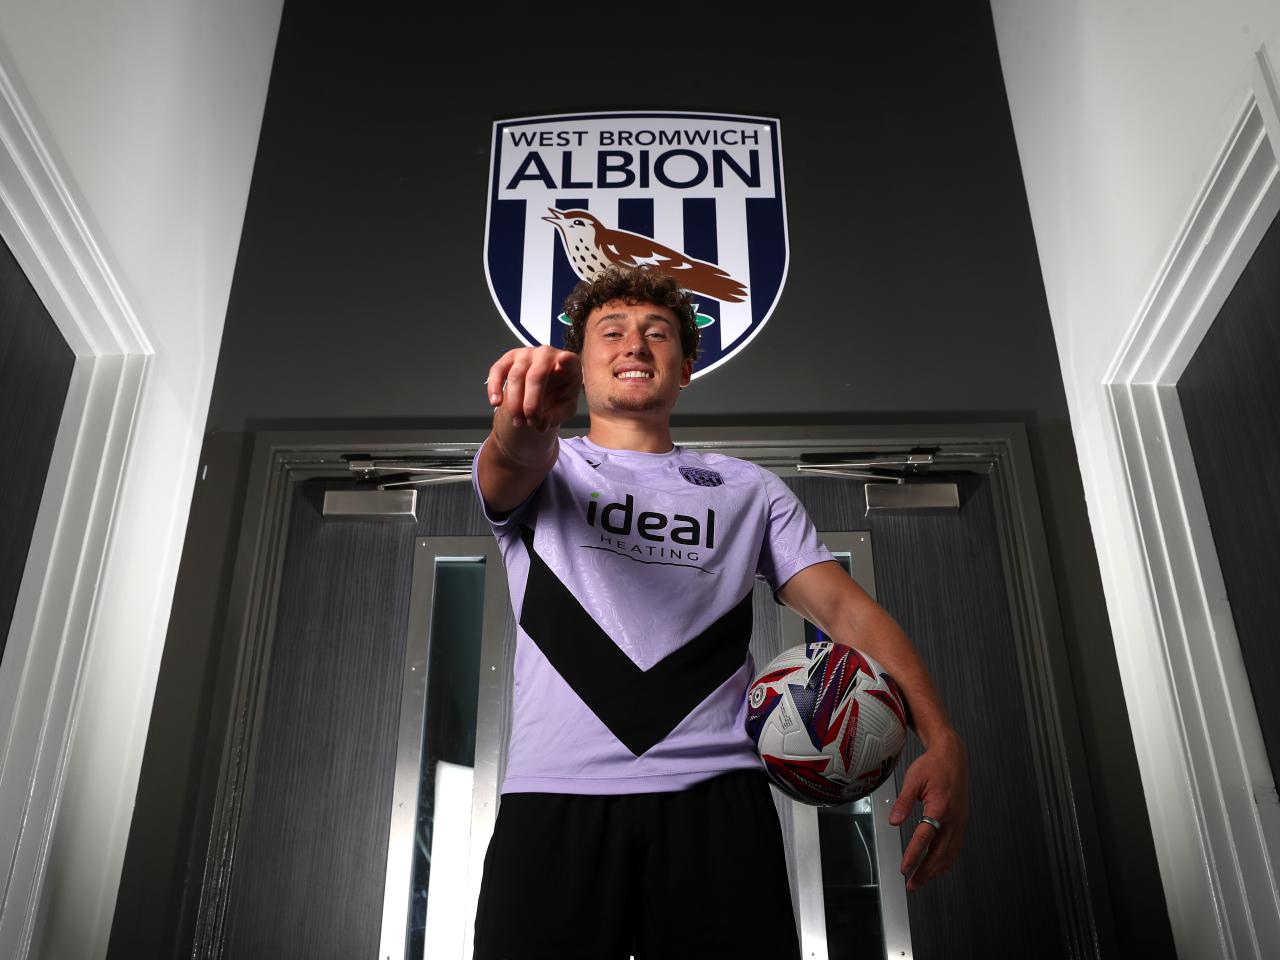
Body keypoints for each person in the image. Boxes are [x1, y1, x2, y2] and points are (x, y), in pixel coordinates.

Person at [470, 265, 968, 959]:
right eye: (610, 332)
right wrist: (523, 419)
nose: (634, 345)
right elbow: (510, 455)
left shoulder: (749, 490)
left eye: (658, 334)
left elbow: (848, 616)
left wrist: (941, 738)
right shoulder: (548, 466)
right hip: (556, 798)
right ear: (581, 366)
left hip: (717, 800)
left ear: (686, 371)